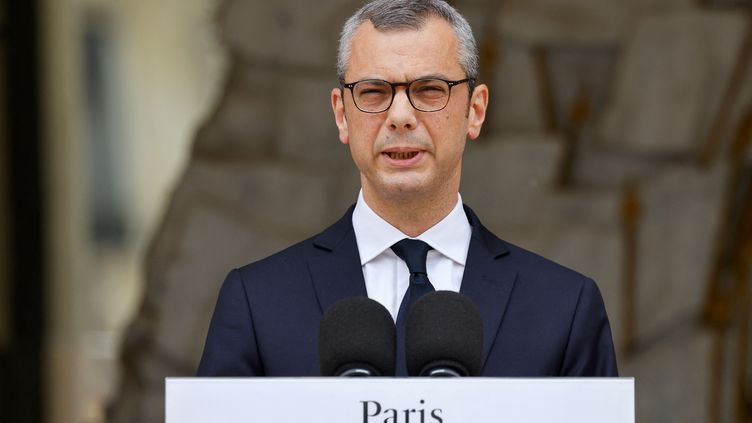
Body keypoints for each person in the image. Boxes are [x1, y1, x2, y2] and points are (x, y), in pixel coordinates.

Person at [197, 0, 618, 377]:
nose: (400, 116)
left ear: (476, 110)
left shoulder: (564, 307)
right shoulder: (257, 301)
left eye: (430, 90)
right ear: (341, 115)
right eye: (374, 92)